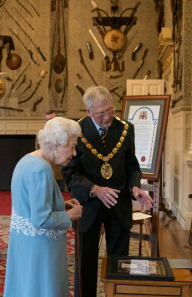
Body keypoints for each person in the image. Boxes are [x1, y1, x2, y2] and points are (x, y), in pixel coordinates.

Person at [62, 86, 154, 297]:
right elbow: (70, 173)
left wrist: (135, 187)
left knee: (120, 264)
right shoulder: (76, 130)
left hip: (118, 205)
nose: (107, 117)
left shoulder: (125, 128)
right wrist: (95, 189)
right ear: (88, 111)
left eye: (110, 110)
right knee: (85, 263)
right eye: (101, 112)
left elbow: (132, 166)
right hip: (87, 205)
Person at [4, 117, 83, 297]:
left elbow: (29, 201)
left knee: (25, 288)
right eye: (71, 146)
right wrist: (70, 215)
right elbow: (41, 219)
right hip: (40, 248)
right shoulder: (42, 169)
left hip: (24, 243)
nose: (74, 153)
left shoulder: (28, 159)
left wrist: (62, 204)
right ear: (56, 145)